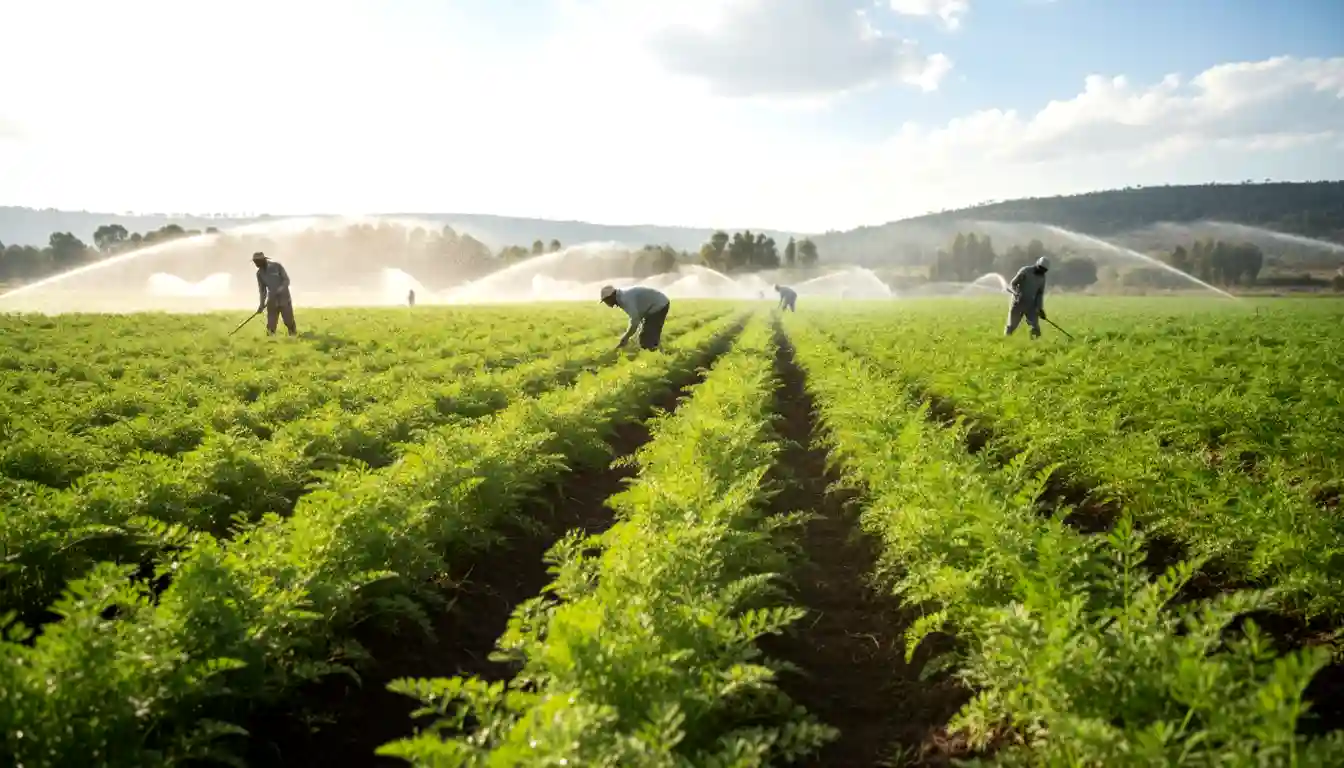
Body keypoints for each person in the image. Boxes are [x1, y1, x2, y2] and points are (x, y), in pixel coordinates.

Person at [600, 284, 670, 351]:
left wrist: (626, 337)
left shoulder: (625, 299)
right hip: (655, 306)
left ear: (611, 296)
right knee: (648, 335)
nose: (606, 303)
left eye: (606, 300)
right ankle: (658, 351)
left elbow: (635, 320)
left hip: (659, 305)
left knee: (647, 340)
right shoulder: (621, 297)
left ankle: (656, 357)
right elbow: (638, 316)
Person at [253, 251, 297, 336]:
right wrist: (261, 305)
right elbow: (262, 290)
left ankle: (293, 336)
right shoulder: (259, 274)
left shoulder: (277, 266)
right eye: (255, 262)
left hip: (284, 298)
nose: (256, 264)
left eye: (257, 262)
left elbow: (286, 280)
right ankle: (270, 341)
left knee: (288, 321)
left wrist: (280, 290)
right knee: (271, 324)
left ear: (263, 260)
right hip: (272, 300)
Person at [1005, 256, 1049, 338]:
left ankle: (1035, 346)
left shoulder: (1042, 278)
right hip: (1018, 303)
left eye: (1044, 271)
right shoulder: (1025, 271)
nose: (1041, 271)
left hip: (1031, 305)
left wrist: (1040, 309)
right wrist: (1015, 293)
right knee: (1011, 326)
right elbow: (1012, 284)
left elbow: (1039, 294)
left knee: (1035, 328)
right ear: (1037, 265)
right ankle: (1005, 342)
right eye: (1040, 269)